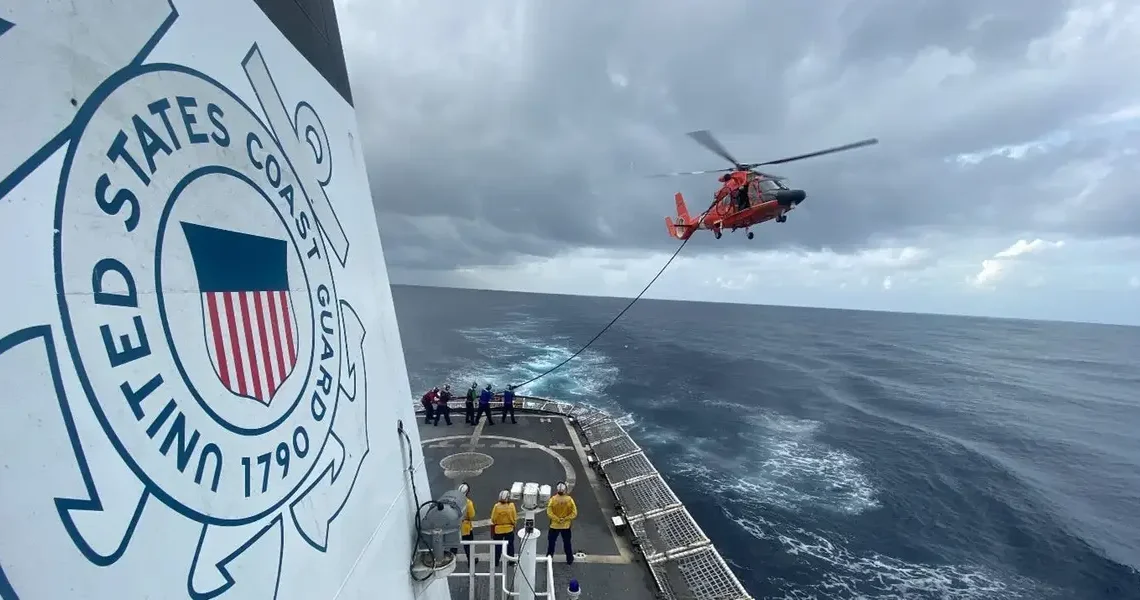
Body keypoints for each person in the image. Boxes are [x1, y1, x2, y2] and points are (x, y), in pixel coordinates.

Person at [545, 481, 578, 564]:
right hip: (566, 526)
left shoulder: (553, 500)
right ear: (565, 490)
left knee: (551, 543)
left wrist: (557, 519)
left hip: (554, 525)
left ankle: (549, 559)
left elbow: (549, 512)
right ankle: (569, 559)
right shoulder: (569, 500)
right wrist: (565, 518)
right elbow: (574, 513)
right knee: (567, 543)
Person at [490, 490, 517, 565]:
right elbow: (515, 518)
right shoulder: (511, 506)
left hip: (498, 530)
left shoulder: (496, 506)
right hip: (509, 529)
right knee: (510, 546)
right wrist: (514, 524)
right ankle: (511, 561)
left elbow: (493, 519)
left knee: (498, 547)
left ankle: (496, 562)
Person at [451, 482, 476, 563]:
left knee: (454, 545)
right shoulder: (468, 503)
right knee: (468, 545)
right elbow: (472, 515)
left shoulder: (453, 501)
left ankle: (452, 560)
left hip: (455, 525)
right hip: (465, 527)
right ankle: (471, 561)